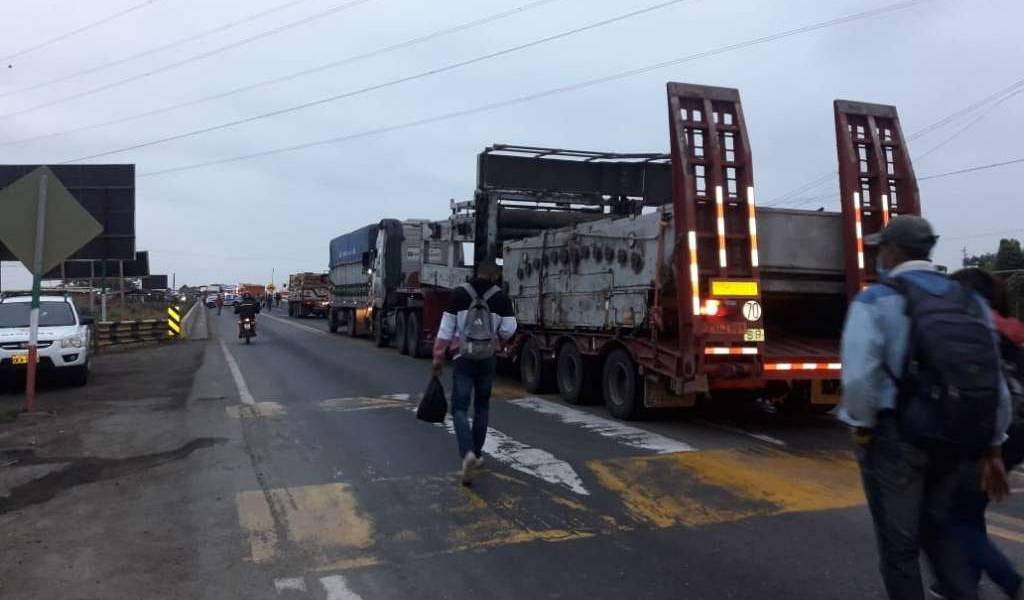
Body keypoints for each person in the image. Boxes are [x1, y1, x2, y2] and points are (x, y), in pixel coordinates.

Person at [839, 215, 1011, 600]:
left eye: (880, 247)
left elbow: (859, 379)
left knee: (899, 547)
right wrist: (994, 444)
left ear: (892, 250)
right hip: (957, 437)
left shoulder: (875, 300)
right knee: (940, 530)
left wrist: (863, 427)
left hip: (896, 438)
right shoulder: (970, 301)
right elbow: (992, 377)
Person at [929, 269, 1024, 600]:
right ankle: (963, 579)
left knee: (950, 515)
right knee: (969, 509)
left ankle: (1009, 580)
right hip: (1015, 434)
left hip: (989, 433)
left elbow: (985, 392)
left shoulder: (972, 328)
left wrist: (991, 448)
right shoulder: (1012, 328)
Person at [432, 263, 517, 485]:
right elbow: (510, 328)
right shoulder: (501, 298)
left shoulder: (459, 293)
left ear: (475, 272)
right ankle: (477, 454)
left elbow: (445, 329)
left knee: (459, 408)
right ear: (495, 275)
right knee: (482, 406)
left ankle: (467, 452)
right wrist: (495, 339)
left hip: (463, 358)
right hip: (487, 358)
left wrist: (438, 357)